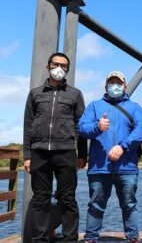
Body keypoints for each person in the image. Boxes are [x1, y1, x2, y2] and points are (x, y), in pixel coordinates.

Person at [23, 52, 87, 242]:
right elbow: (28, 125)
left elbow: (80, 126)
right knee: (40, 199)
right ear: (48, 66)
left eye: (64, 65)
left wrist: (82, 154)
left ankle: (69, 239)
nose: (59, 68)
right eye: (56, 64)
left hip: (66, 152)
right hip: (39, 152)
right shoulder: (35, 93)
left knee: (68, 198)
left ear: (67, 69)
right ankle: (40, 239)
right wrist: (27, 155)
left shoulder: (75, 94)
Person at [79, 71, 142, 243]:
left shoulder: (135, 107)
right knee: (95, 206)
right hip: (99, 167)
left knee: (130, 205)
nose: (115, 86)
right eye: (112, 83)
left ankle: (133, 238)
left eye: (119, 83)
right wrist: (97, 126)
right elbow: (82, 128)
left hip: (127, 168)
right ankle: (91, 238)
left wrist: (123, 146)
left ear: (125, 86)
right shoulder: (94, 106)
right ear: (106, 86)